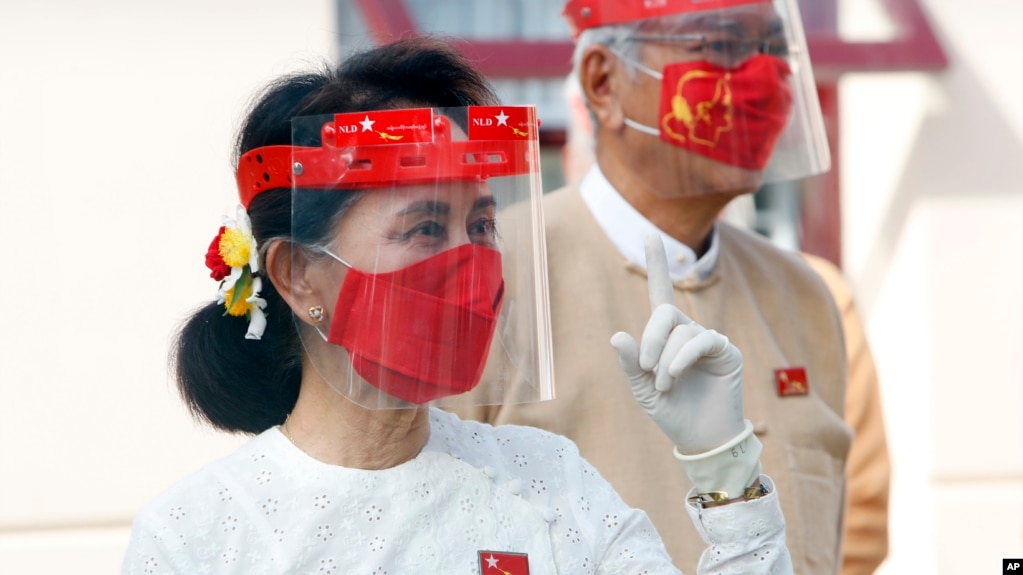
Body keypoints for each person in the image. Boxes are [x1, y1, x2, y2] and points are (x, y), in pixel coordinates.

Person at [121, 37, 794, 574]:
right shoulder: (199, 537)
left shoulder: (547, 483)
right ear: (298, 275)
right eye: (422, 227)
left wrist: (724, 472)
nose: (468, 260)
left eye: (479, 225)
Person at [456, 1, 890, 574]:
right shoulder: (487, 276)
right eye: (721, 46)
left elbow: (853, 539)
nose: (763, 77)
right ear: (604, 83)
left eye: (772, 50)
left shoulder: (806, 296)